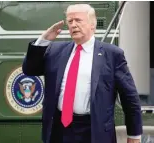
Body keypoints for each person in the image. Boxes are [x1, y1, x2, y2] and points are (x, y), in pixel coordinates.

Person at [22, 4, 143, 143]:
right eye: (70, 21)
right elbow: (29, 70)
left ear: (92, 24)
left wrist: (134, 135)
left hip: (93, 131)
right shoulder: (55, 51)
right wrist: (43, 40)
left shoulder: (111, 54)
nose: (73, 25)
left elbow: (130, 98)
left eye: (78, 20)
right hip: (58, 130)